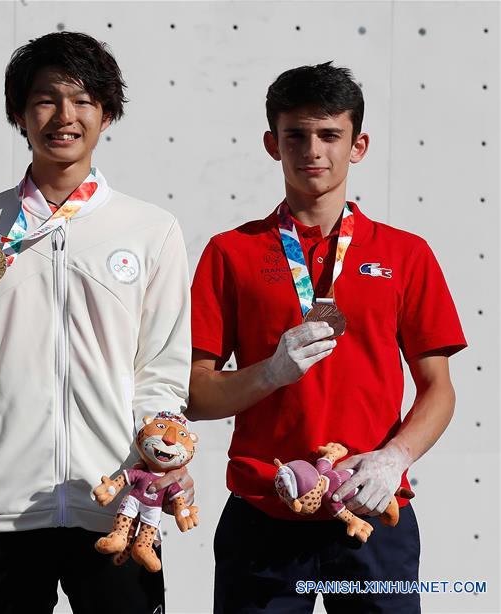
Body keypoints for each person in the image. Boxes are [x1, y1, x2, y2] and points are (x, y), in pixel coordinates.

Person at [187, 61, 466, 613]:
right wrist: (269, 371)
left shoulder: (406, 254)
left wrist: (394, 458)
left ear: (357, 146)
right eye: (296, 135)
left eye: (330, 135)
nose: (313, 149)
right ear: (273, 144)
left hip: (372, 509)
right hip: (264, 508)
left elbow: (439, 388)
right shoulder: (230, 252)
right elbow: (195, 395)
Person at [0, 32, 191, 614]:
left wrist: (159, 464)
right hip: (0, 507)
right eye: (46, 99)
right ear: (19, 113)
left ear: (107, 113)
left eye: (83, 101)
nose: (64, 117)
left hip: (117, 505)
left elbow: (164, 373)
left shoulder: (151, 229)